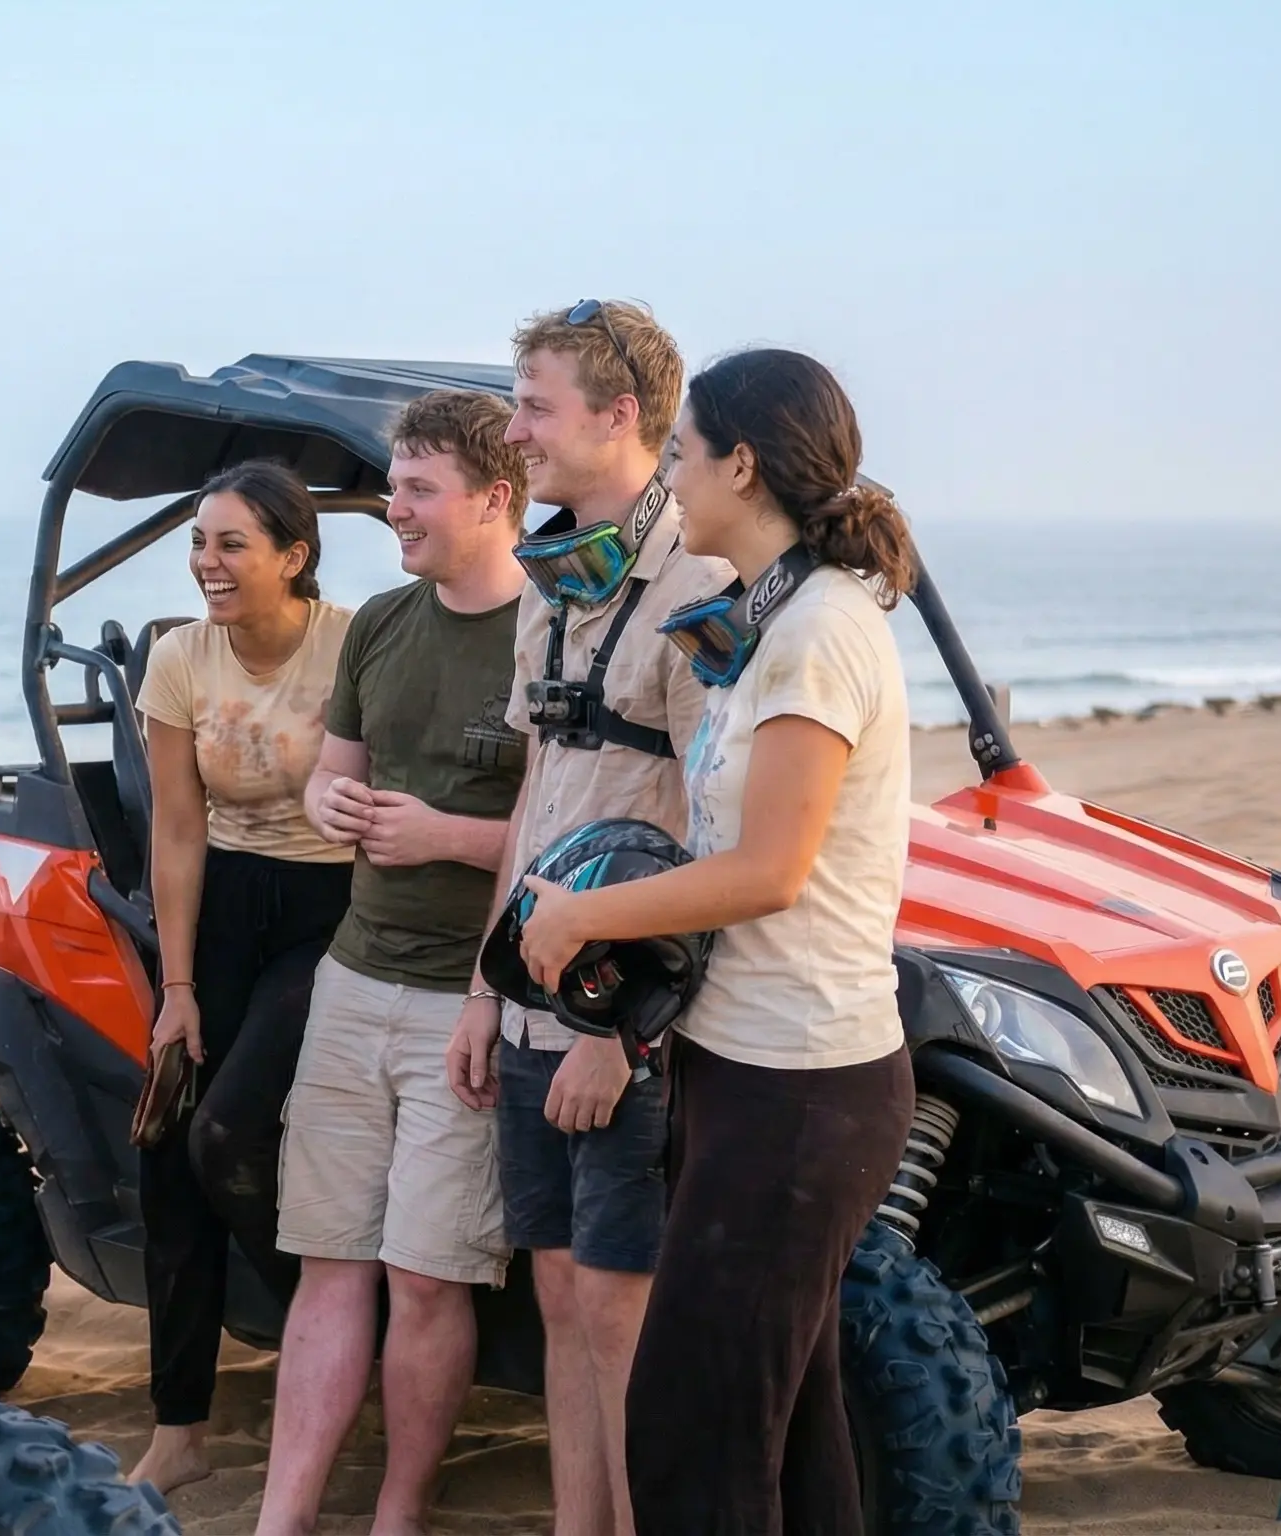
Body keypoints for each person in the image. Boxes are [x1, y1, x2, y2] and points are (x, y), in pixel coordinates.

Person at [514, 349, 918, 1534]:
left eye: (683, 454)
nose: (670, 480)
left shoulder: (817, 634)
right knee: (789, 1434)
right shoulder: (774, 617)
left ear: (742, 464)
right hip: (751, 1071)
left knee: (694, 1429)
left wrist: (584, 913)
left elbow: (767, 872)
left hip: (805, 1085)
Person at [454, 299, 732, 1536]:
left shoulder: (703, 583)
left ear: (620, 417)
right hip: (527, 1005)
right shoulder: (551, 570)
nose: (512, 434)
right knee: (560, 1294)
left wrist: (611, 1032)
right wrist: (484, 991)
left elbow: (708, 823)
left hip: (626, 1016)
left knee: (622, 1309)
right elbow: (539, 786)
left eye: (533, 408)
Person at [258, 390, 530, 1536]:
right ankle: (281, 1518)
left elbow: (577, 825)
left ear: (495, 500)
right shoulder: (377, 621)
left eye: (417, 488)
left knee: (427, 1274)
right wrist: (333, 801)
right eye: (392, 483)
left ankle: (398, 1515)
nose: (391, 507)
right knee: (330, 1260)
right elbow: (332, 771)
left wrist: (447, 838)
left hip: (468, 1003)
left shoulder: (553, 633)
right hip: (352, 978)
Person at [126, 460, 356, 1496]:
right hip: (218, 905)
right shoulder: (180, 657)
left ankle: (336, 1327)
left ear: (293, 556)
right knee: (170, 1145)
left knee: (231, 1132)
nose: (206, 564)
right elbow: (176, 829)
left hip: (332, 910)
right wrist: (175, 988)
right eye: (199, 544)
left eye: (231, 545)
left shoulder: (354, 641)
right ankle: (179, 1425)